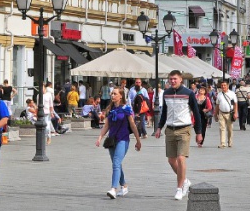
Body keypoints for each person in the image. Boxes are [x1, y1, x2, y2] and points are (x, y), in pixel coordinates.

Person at [154, 69, 204, 201]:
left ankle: (179, 188)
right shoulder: (166, 93)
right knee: (171, 160)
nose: (172, 81)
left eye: (175, 79)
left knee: (181, 158)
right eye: (171, 79)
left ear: (181, 79)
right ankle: (185, 180)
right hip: (170, 129)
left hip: (184, 129)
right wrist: (159, 127)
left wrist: (199, 133)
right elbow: (164, 112)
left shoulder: (188, 93)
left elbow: (197, 114)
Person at [95, 86, 142, 199]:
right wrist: (100, 137)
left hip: (123, 139)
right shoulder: (110, 110)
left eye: (115, 94)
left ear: (121, 96)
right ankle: (124, 185)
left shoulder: (126, 109)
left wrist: (138, 140)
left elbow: (132, 125)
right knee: (116, 164)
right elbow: (107, 125)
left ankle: (113, 189)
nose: (112, 95)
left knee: (116, 162)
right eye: (112, 94)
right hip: (112, 140)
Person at [214, 80, 238, 148]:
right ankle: (222, 143)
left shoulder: (232, 94)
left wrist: (235, 113)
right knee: (222, 128)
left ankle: (230, 142)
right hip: (221, 113)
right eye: (222, 85)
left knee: (230, 128)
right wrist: (215, 114)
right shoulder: (219, 94)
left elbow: (235, 104)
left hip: (230, 113)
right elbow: (217, 105)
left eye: (224, 85)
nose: (223, 86)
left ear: (227, 86)